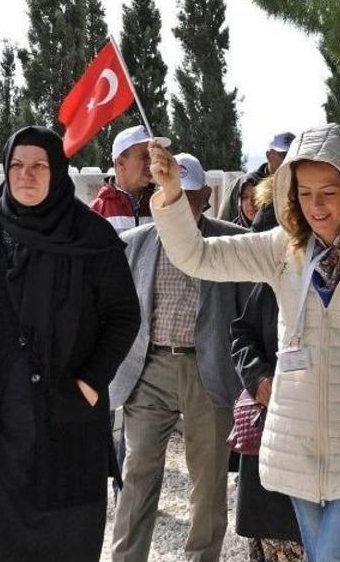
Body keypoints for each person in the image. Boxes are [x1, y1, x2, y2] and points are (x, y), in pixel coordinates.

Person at [147, 123, 340, 562]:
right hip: (296, 442)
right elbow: (198, 256)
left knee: (334, 554)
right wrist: (173, 196)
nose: (317, 206)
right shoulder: (282, 248)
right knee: (322, 556)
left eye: (328, 192)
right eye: (305, 193)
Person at [0, 126, 140, 562]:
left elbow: (123, 316)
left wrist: (91, 381)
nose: (26, 175)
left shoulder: (92, 237)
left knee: (58, 540)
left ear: (56, 171)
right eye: (17, 165)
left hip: (65, 419)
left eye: (39, 165)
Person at [109, 152, 254, 562]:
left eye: (189, 197)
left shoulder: (232, 242)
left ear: (206, 197)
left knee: (208, 483)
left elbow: (248, 314)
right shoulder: (134, 244)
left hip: (209, 372)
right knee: (137, 474)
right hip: (150, 369)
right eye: (173, 194)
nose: (181, 204)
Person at [231, 283, 306, 562]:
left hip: (338, 437)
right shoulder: (279, 273)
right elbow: (242, 334)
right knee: (277, 534)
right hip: (275, 428)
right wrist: (258, 377)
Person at [91, 125, 157, 232]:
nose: (151, 163)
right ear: (120, 163)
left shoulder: (162, 205)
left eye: (151, 156)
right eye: (145, 157)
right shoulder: (96, 212)